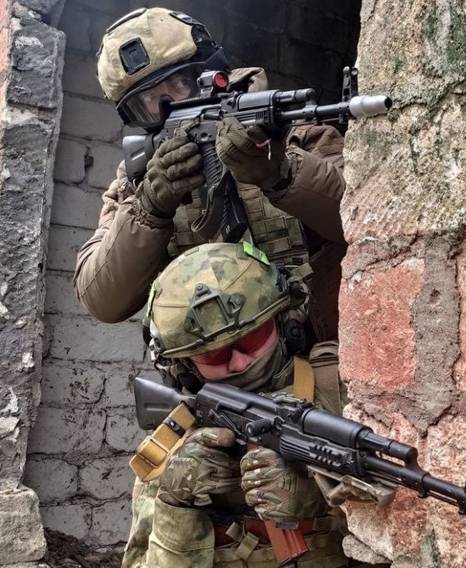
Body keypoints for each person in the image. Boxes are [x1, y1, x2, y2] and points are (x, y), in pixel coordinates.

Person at [75, 7, 347, 342]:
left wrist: (281, 173)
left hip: (312, 353)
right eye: (147, 102)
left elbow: (363, 220)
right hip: (209, 366)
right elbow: (102, 300)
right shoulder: (140, 178)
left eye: (179, 84)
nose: (167, 105)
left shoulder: (293, 135)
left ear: (213, 73)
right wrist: (149, 208)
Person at [123, 242, 377, 568]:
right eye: (214, 355)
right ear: (183, 366)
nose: (239, 362)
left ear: (285, 322)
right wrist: (176, 504)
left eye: (251, 339)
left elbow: (404, 524)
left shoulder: (341, 394)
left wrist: (324, 500)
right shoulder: (171, 445)